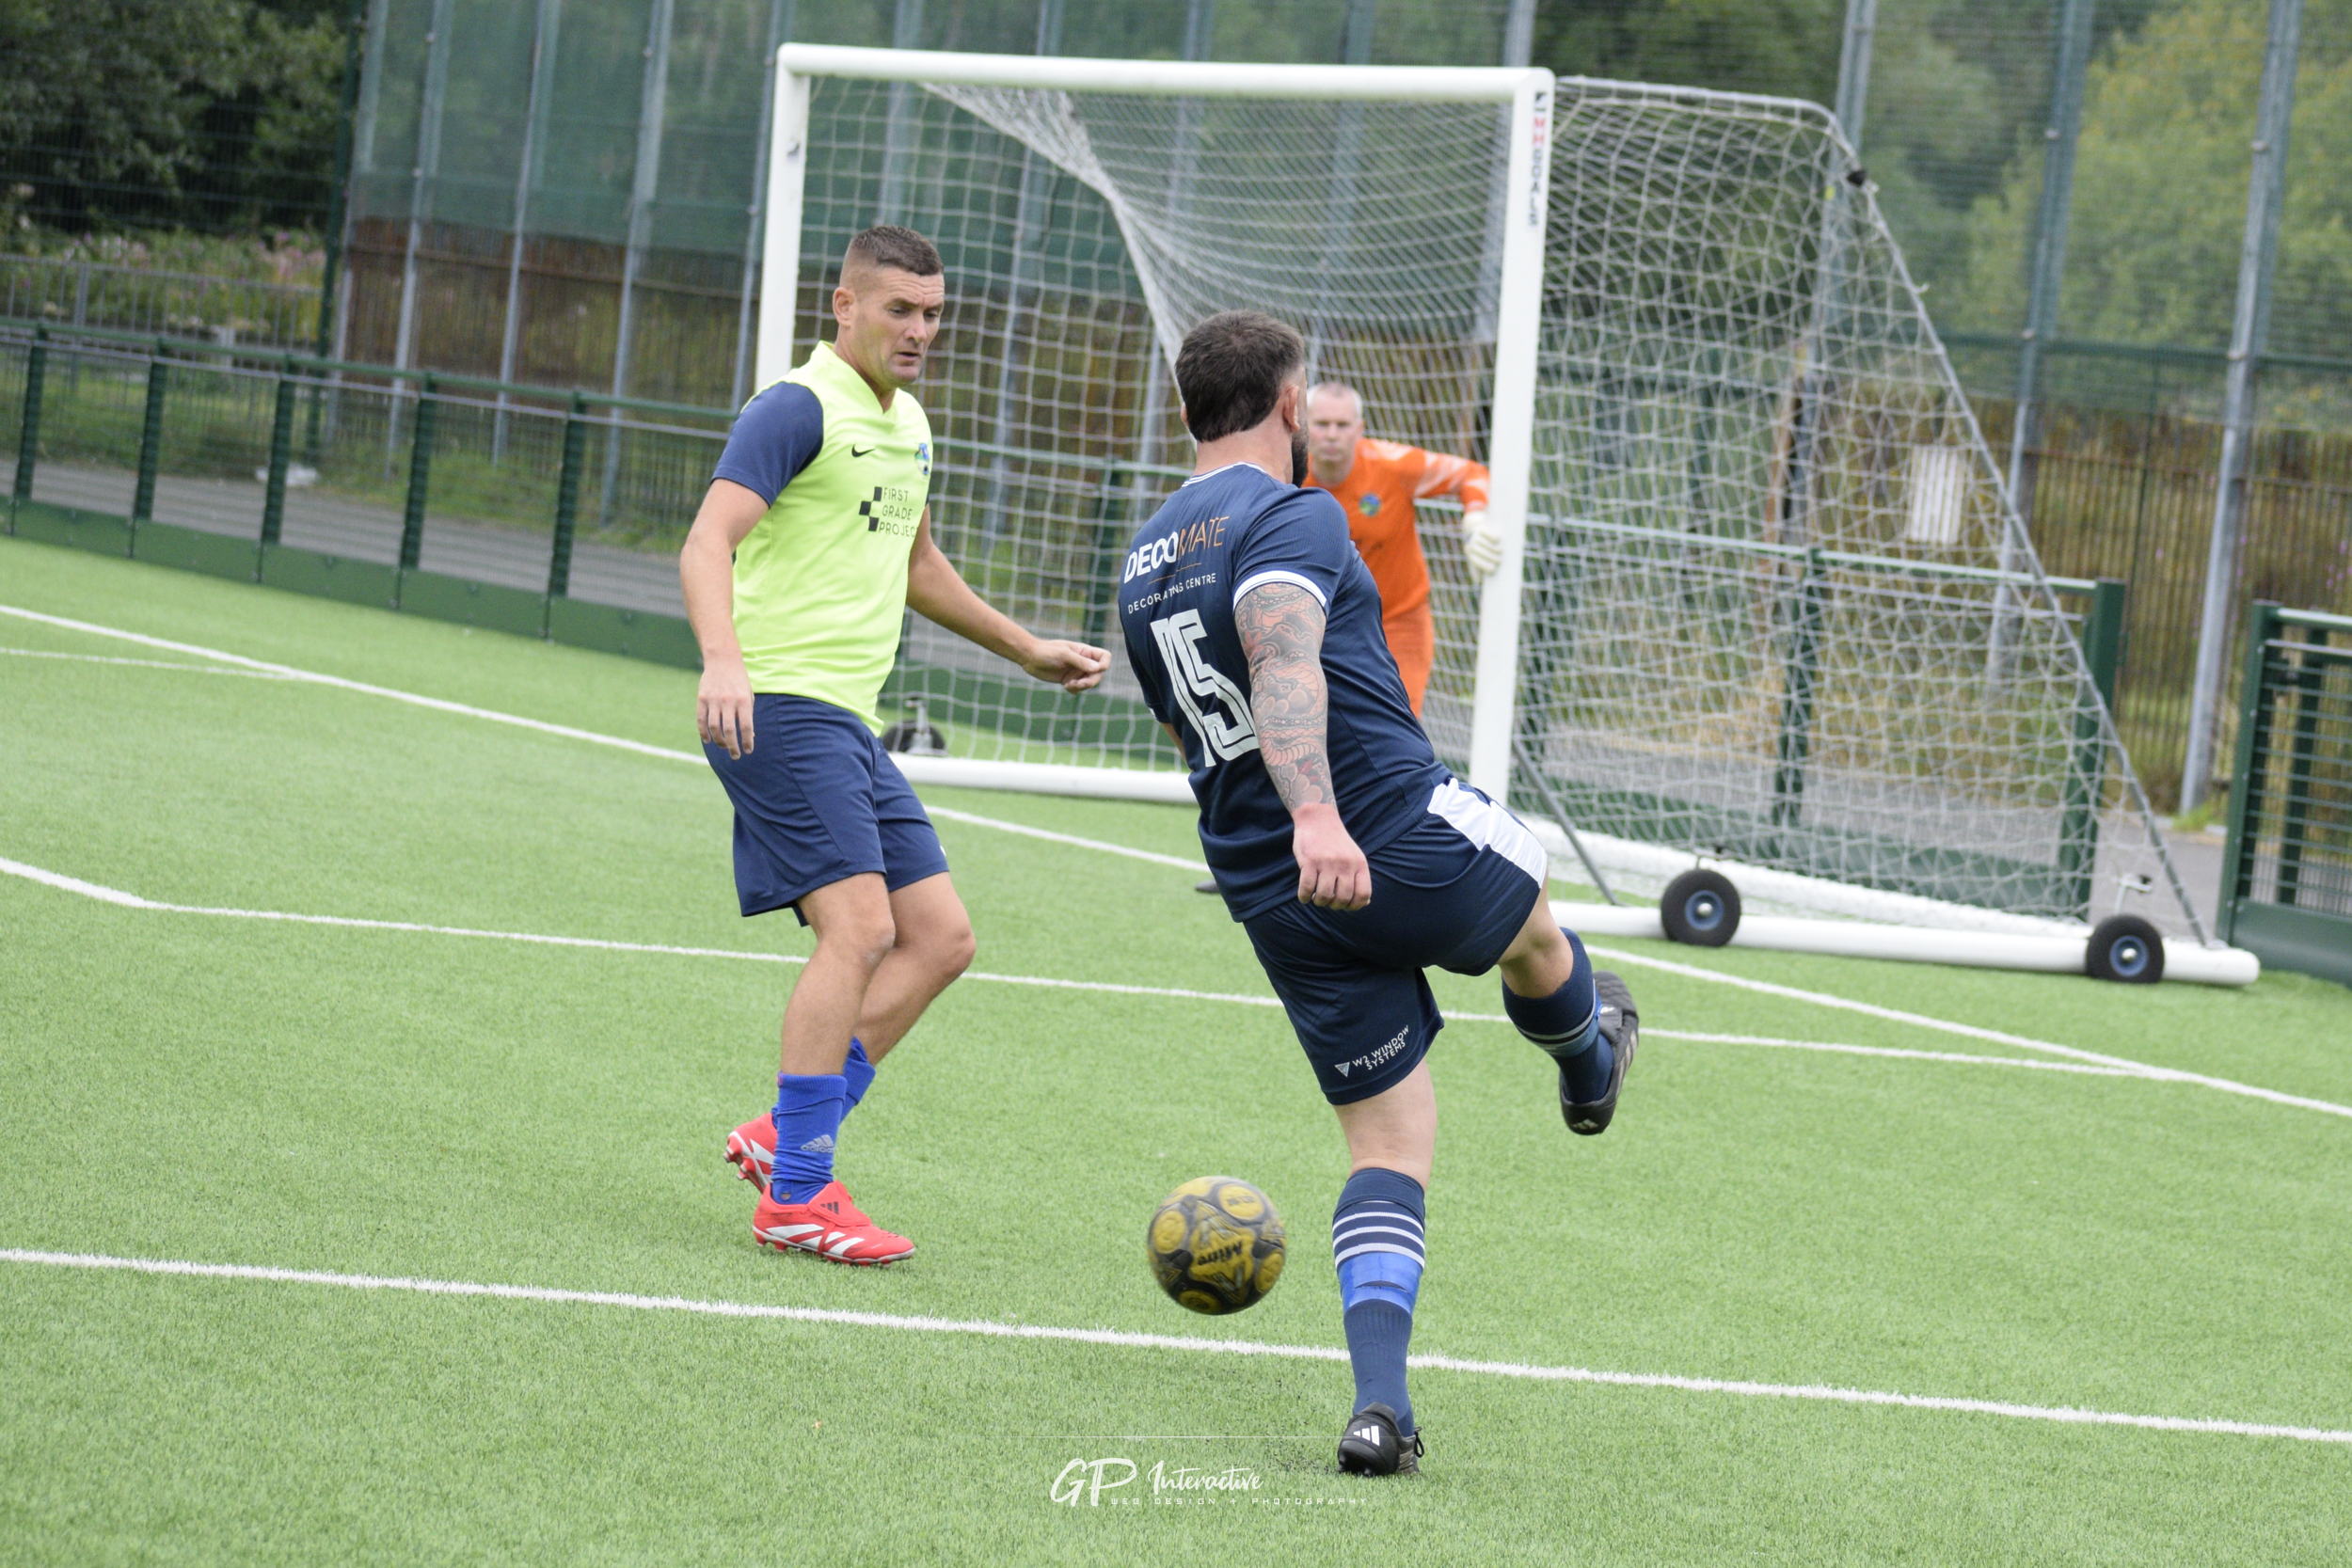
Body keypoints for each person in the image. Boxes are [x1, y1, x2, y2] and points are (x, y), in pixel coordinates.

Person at [1118, 310, 1639, 1477]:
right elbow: (1281, 649)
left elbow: (1181, 721)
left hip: (1267, 892)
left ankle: (1379, 1413)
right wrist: (1318, 811)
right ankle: (1591, 1066)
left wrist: (1278, 825)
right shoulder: (1293, 509)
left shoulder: (1143, 554)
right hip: (1377, 830)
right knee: (1536, 909)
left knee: (1388, 1139)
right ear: (1289, 405)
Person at [679, 224, 1109, 1265]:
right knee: (861, 929)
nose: (918, 330)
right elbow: (707, 538)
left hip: (847, 720)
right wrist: (722, 659)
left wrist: (1025, 649)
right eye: (899, 310)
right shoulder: (796, 406)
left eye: (931, 314)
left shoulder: (910, 422)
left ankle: (789, 1133)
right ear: (845, 306)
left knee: (942, 936)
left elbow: (918, 565)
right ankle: (796, 1193)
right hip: (778, 702)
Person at [1301, 381, 1503, 717]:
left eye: (1342, 425)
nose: (1332, 434)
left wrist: (1475, 520)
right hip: (1319, 624)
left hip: (1397, 622)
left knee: (1398, 724)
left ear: (1359, 429)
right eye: (1322, 424)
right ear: (1304, 425)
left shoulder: (1392, 465)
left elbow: (1471, 473)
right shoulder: (1286, 475)